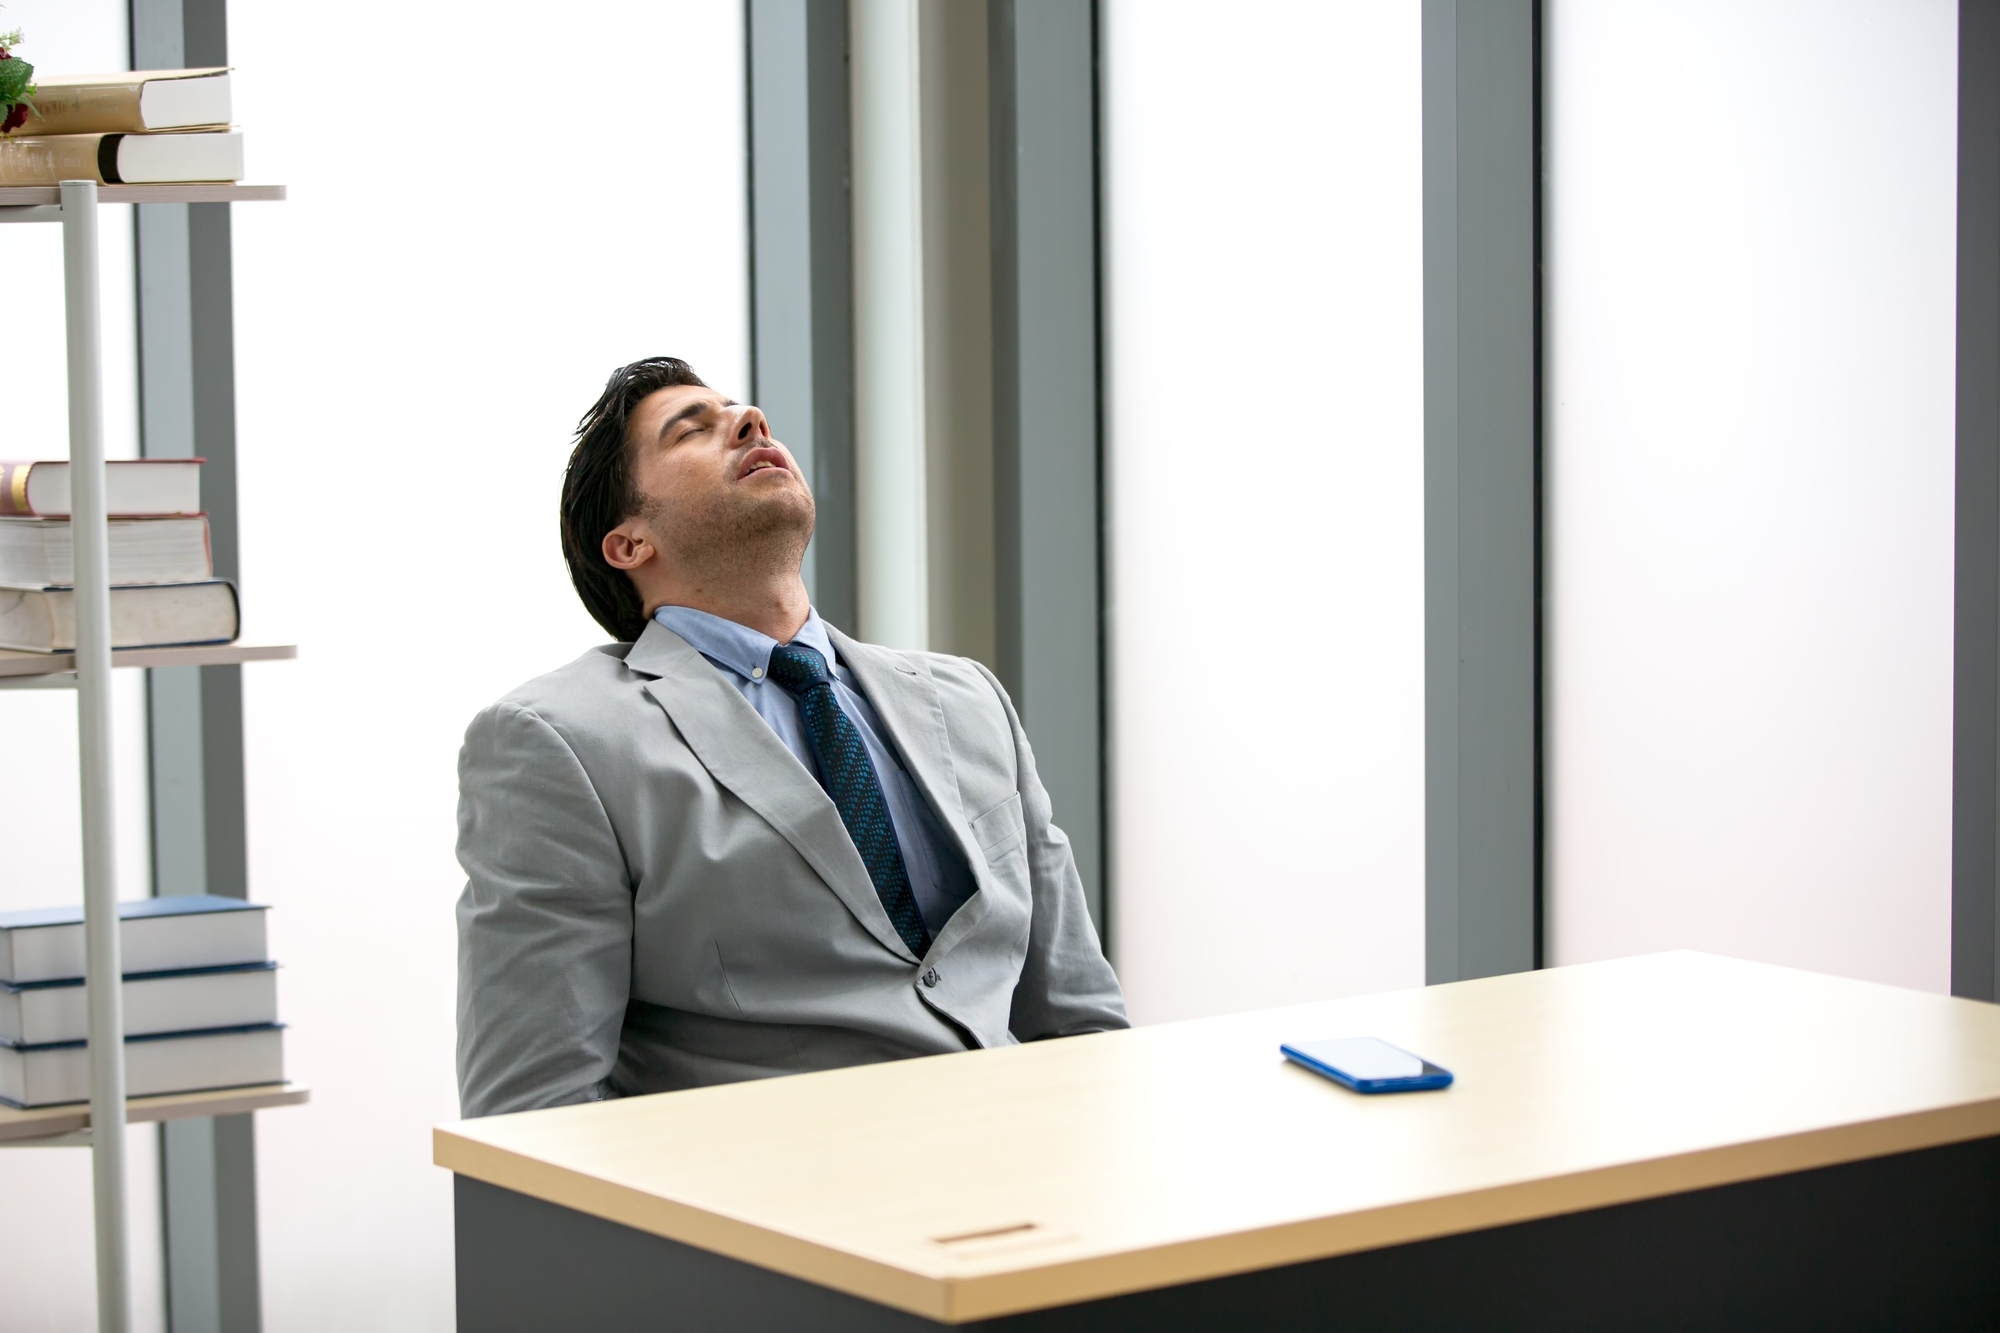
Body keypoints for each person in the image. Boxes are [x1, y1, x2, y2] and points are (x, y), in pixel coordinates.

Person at [454, 356, 1127, 1117]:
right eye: (691, 430)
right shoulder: (561, 742)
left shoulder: (969, 700)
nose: (750, 422)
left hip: (1030, 1182)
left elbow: (1082, 1020)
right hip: (774, 1215)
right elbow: (534, 1112)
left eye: (742, 411)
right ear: (629, 543)